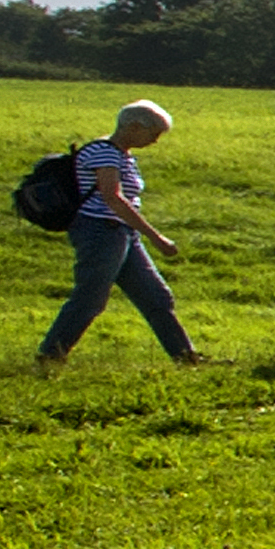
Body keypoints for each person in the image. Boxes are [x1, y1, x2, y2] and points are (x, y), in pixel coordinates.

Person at [40, 98, 198, 369]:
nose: (155, 141)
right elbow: (113, 198)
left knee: (156, 297)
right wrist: (155, 237)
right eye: (154, 133)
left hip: (121, 232)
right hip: (101, 231)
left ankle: (185, 357)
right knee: (90, 298)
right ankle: (50, 355)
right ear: (134, 127)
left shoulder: (120, 154)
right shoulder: (105, 152)